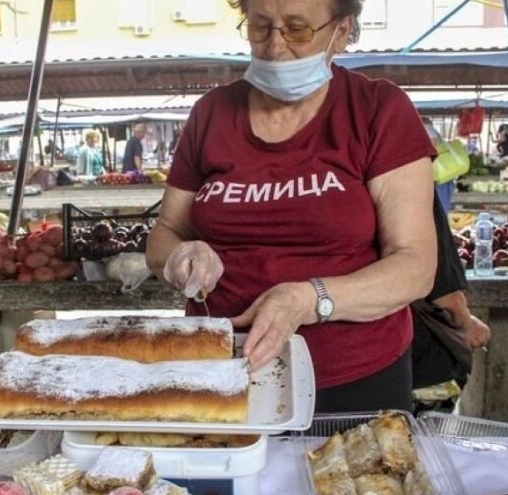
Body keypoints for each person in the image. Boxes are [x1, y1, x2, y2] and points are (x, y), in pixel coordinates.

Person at [146, 0, 437, 413]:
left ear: (341, 30)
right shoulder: (211, 114)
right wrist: (179, 254)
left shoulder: (377, 110)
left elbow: (415, 266)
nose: (275, 47)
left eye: (297, 29)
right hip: (221, 370)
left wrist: (307, 299)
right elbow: (164, 233)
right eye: (260, 27)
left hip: (352, 376)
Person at [411, 194, 491, 414]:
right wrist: (467, 323)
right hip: (418, 362)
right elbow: (447, 296)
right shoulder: (412, 184)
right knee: (416, 441)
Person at [421, 116, 454, 215]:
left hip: (439, 174)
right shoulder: (432, 130)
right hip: (445, 173)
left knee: (438, 211)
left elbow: (432, 144)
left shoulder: (426, 128)